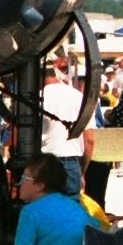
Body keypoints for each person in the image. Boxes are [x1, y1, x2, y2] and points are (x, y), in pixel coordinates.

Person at [40, 59, 87, 196]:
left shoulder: (37, 98)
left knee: (44, 208)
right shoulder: (78, 97)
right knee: (71, 209)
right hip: (71, 161)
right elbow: (89, 139)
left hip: (44, 161)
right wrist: (81, 171)